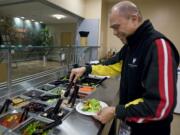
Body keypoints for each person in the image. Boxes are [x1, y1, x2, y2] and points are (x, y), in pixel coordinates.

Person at [70, 1, 179, 135]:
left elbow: (161, 105)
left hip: (150, 129)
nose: (115, 33)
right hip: (129, 124)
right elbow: (111, 65)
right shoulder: (129, 46)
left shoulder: (158, 46)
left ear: (134, 19)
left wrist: (116, 111)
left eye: (116, 27)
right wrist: (86, 69)